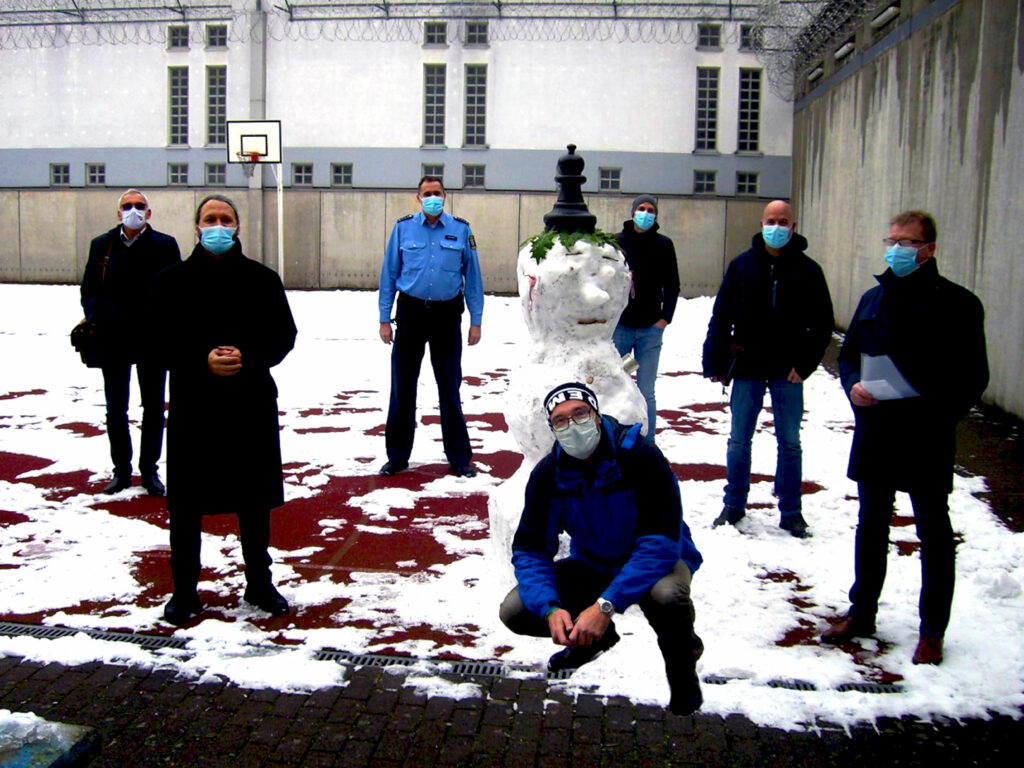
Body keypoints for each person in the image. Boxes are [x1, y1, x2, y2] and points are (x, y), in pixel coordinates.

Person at [821, 211, 988, 665]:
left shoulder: (958, 304)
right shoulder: (873, 299)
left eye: (906, 242)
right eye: (891, 240)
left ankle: (932, 629)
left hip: (926, 435)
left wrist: (936, 412)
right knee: (871, 527)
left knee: (934, 533)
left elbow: (973, 376)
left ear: (928, 249)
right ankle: (863, 611)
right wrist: (852, 384)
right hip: (876, 432)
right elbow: (850, 353)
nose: (895, 249)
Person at [499, 382, 705, 716]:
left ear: (596, 416)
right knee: (516, 610)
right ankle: (594, 639)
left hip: (658, 560)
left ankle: (682, 666)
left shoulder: (639, 456)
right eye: (560, 420)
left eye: (580, 413)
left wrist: (605, 606)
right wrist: (550, 608)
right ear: (553, 429)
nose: (572, 425)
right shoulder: (549, 474)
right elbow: (531, 549)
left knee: (668, 597)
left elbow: (661, 543)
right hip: (594, 561)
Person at [150, 195, 297, 625]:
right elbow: (157, 340)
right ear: (196, 227)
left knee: (253, 498)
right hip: (195, 406)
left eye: (225, 219)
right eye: (209, 219)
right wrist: (202, 359)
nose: (218, 225)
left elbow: (283, 334)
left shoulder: (262, 279)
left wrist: (247, 356)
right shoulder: (170, 281)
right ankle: (184, 588)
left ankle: (259, 582)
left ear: (237, 226)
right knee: (188, 501)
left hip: (249, 401)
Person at [702, 200, 833, 538]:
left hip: (787, 371)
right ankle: (734, 504)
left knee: (789, 442)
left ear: (793, 226)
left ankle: (791, 510)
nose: (777, 227)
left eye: (783, 221)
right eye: (771, 221)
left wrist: (804, 365)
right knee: (739, 440)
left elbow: (821, 324)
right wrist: (713, 359)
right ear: (762, 224)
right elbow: (722, 315)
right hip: (746, 367)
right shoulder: (741, 266)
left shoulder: (808, 270)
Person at [378, 175, 484, 478]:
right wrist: (384, 318)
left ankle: (460, 458)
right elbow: (389, 275)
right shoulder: (403, 228)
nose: (432, 198)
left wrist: (476, 320)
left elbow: (473, 277)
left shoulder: (461, 230)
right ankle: (397, 456)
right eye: (427, 193)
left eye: (437, 193)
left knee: (450, 388)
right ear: (418, 198)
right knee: (402, 387)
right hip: (410, 313)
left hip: (447, 316)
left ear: (445, 196)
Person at [80, 189, 181, 495]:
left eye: (140, 206)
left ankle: (149, 471)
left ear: (149, 213)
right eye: (127, 206)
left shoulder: (164, 245)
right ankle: (121, 471)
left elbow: (176, 289)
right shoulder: (102, 245)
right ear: (118, 213)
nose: (133, 210)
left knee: (153, 408)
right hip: (114, 338)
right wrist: (98, 316)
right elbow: (89, 288)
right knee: (116, 409)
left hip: (152, 339)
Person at [612, 195, 680, 445]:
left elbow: (672, 285)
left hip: (650, 331)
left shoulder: (664, 244)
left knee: (646, 389)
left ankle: (647, 443)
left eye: (650, 210)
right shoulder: (617, 243)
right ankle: (617, 435)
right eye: (641, 209)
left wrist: (665, 318)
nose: (646, 213)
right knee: (618, 382)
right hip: (621, 329)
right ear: (633, 213)